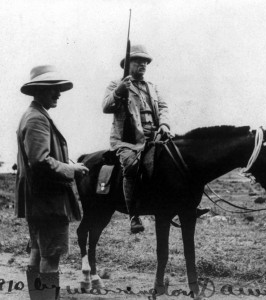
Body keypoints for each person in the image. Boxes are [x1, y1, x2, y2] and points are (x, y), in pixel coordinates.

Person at [15, 65, 89, 300]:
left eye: (59, 89)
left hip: (38, 201)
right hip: (48, 201)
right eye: (53, 89)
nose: (58, 93)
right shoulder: (37, 119)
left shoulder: (33, 115)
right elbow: (40, 161)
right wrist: (72, 168)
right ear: (38, 90)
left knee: (38, 251)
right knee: (51, 256)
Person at [102, 45, 171, 234]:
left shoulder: (152, 87)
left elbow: (163, 107)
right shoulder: (116, 84)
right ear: (127, 64)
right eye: (138, 61)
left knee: (176, 160)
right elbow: (106, 107)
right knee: (131, 166)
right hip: (128, 141)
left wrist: (164, 125)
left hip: (155, 137)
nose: (143, 64)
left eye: (145, 61)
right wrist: (119, 91)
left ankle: (180, 204)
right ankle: (134, 215)